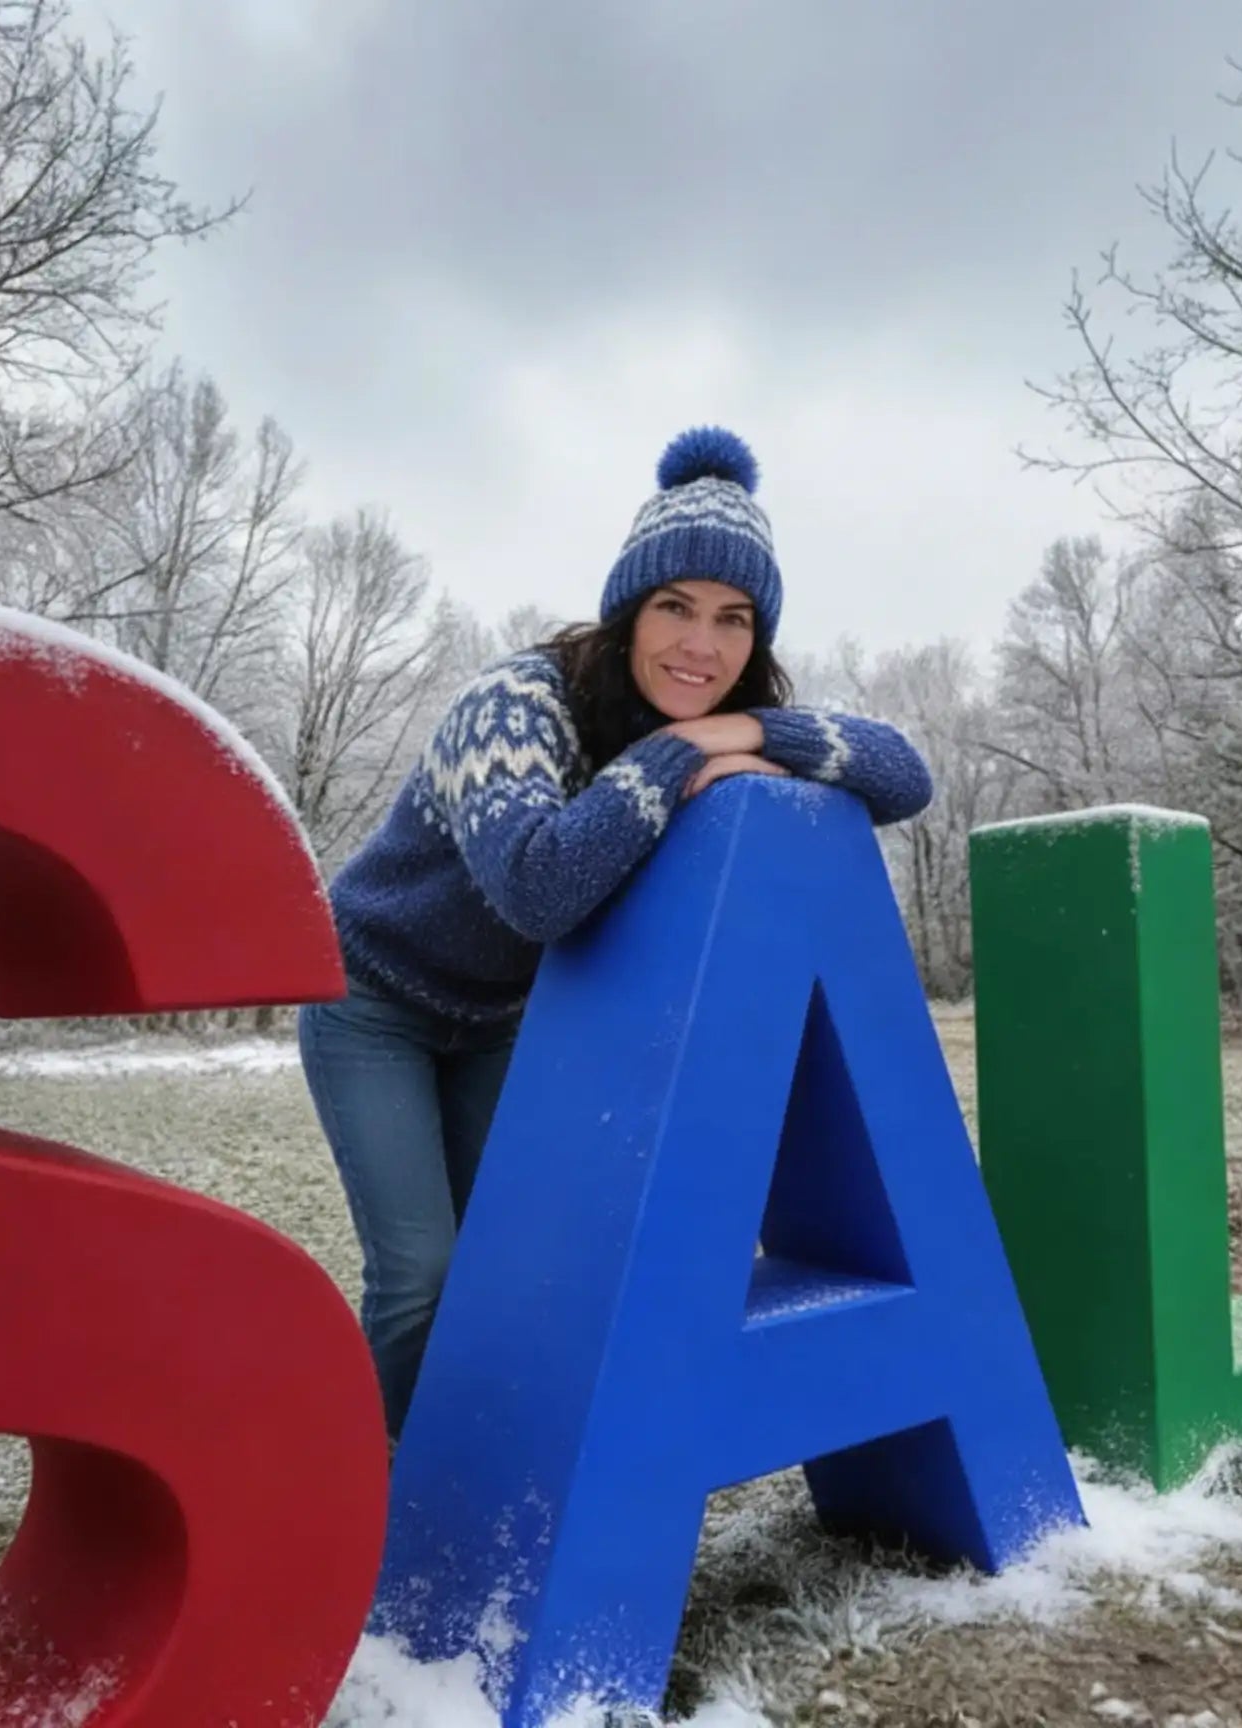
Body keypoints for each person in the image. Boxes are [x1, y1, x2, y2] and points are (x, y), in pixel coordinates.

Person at [297, 426, 934, 1438]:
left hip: (497, 1020)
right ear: (628, 609)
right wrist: (682, 753)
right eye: (674, 607)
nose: (701, 645)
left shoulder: (721, 708)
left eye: (733, 621)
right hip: (374, 1000)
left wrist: (746, 732)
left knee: (504, 1266)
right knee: (424, 1271)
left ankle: (469, 1465)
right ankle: (378, 1495)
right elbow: (539, 890)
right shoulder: (515, 701)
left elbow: (905, 773)